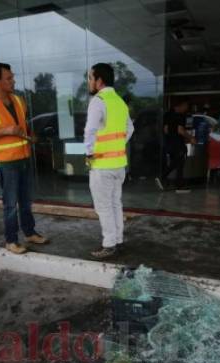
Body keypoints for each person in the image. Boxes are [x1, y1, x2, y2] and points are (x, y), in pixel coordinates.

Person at [0, 62, 48, 254]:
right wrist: (6, 130)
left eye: (12, 77)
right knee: (10, 204)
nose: (12, 80)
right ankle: (11, 240)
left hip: (23, 158)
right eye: (8, 78)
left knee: (26, 201)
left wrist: (31, 136)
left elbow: (23, 126)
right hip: (6, 163)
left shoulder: (19, 101)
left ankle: (29, 232)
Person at [85, 63, 134, 259]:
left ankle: (109, 244)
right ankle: (117, 240)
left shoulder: (99, 101)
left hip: (102, 165)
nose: (89, 82)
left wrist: (89, 153)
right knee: (115, 204)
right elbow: (130, 129)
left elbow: (90, 130)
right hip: (119, 164)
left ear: (99, 81)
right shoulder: (119, 102)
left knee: (104, 206)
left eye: (90, 78)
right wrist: (117, 145)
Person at [156, 100, 195, 191]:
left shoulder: (167, 114)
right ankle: (164, 177)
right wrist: (191, 138)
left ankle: (179, 184)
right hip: (178, 143)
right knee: (178, 161)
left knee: (178, 163)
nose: (186, 109)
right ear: (182, 105)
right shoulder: (181, 116)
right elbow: (180, 130)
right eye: (186, 107)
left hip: (169, 142)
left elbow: (165, 129)